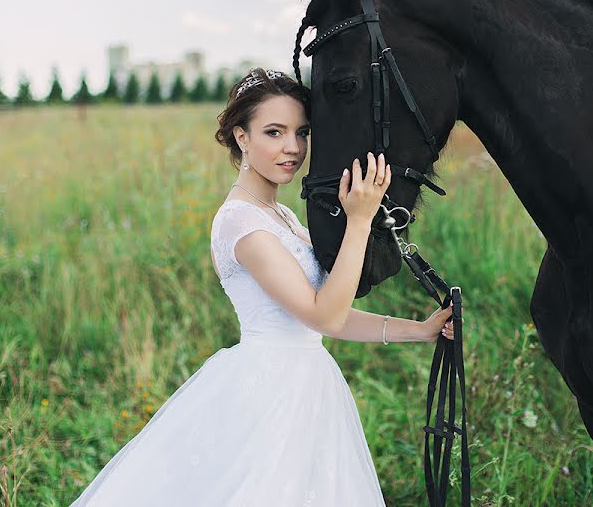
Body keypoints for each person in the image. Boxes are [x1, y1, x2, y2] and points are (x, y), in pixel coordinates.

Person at [71, 67, 458, 506]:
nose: (292, 148)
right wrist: (359, 220)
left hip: (310, 387)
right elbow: (326, 314)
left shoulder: (282, 217)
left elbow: (323, 318)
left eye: (301, 132)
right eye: (274, 132)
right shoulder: (241, 223)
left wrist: (420, 329)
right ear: (241, 138)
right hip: (268, 393)